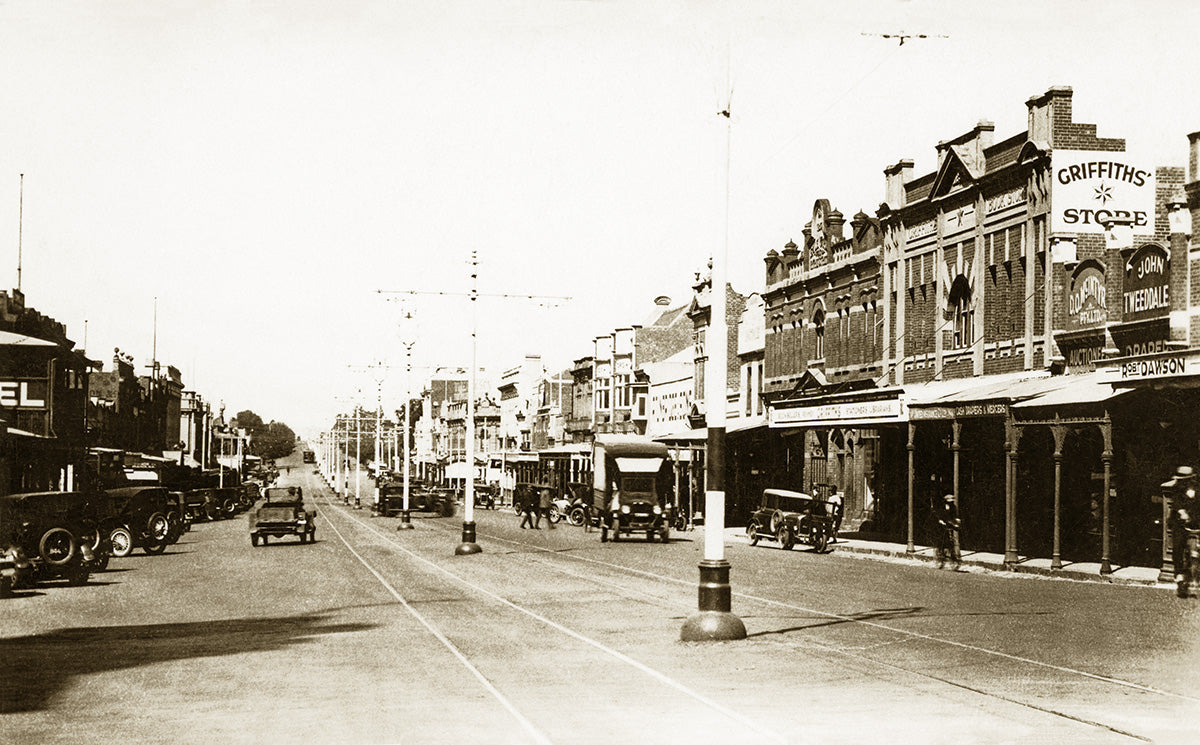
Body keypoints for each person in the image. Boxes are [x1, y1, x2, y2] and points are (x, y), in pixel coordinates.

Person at [1168, 466, 1198, 598]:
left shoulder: (1196, 489)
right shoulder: (1176, 488)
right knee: (1178, 549)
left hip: (1194, 523)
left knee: (1195, 551)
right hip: (1179, 524)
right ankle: (1180, 577)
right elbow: (1176, 503)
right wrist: (1182, 512)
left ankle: (1191, 574)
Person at [936, 493, 962, 571]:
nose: (951, 503)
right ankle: (941, 555)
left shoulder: (953, 507)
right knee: (943, 540)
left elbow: (955, 516)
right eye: (949, 501)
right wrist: (941, 521)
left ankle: (954, 556)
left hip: (950, 523)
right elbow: (939, 516)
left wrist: (957, 521)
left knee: (952, 541)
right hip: (942, 525)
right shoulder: (942, 507)